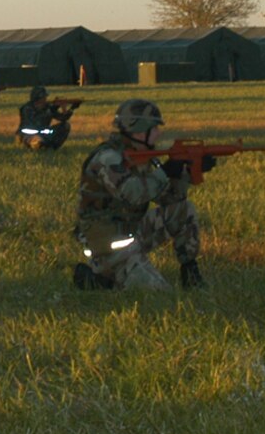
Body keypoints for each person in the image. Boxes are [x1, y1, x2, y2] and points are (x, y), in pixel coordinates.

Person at [71, 98, 202, 291]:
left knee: (184, 210)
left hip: (130, 233)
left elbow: (170, 199)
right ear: (140, 130)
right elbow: (131, 193)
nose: (158, 133)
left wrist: (184, 175)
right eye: (154, 128)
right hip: (107, 244)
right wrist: (165, 172)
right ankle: (98, 279)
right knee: (160, 292)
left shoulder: (140, 157)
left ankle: (190, 273)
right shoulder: (108, 159)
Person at [15, 85, 75, 151]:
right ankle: (38, 145)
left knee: (65, 126)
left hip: (43, 133)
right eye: (44, 97)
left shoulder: (47, 107)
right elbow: (36, 122)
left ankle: (52, 147)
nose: (45, 99)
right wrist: (53, 108)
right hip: (27, 135)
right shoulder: (27, 108)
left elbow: (62, 118)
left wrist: (70, 108)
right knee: (37, 141)